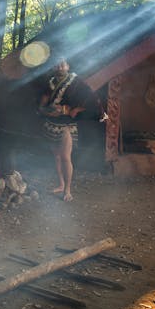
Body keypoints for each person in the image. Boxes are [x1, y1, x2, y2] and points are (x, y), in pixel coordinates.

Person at [38, 59, 107, 202]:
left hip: (67, 124)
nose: (60, 66)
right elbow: (42, 104)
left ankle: (68, 190)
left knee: (65, 157)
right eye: (57, 64)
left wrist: (70, 109)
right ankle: (61, 184)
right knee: (57, 156)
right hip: (51, 123)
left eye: (63, 64)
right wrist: (46, 110)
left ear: (68, 66)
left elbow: (91, 99)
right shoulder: (50, 82)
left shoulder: (76, 82)